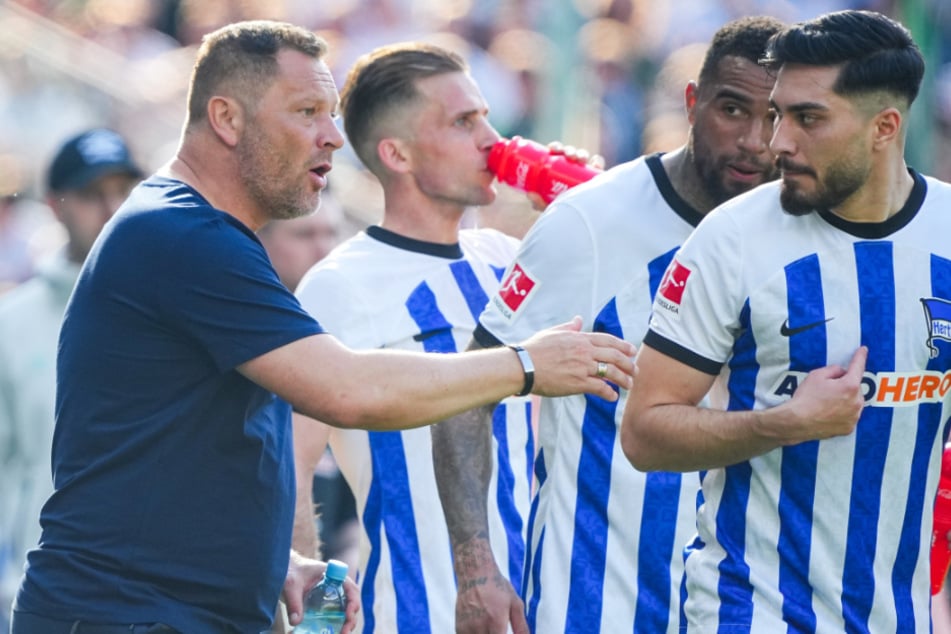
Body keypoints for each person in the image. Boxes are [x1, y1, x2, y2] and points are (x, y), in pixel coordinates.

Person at [9, 20, 635, 634]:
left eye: (332, 112)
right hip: (125, 613)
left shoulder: (203, 233)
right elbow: (344, 389)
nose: (334, 136)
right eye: (308, 111)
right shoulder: (181, 232)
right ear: (226, 119)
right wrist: (524, 366)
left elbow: (175, 446)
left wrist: (272, 560)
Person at [433, 15, 784, 634]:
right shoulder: (590, 222)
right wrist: (476, 568)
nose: (754, 141)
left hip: (755, 607)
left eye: (776, 118)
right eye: (733, 110)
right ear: (692, 103)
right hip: (598, 606)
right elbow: (464, 393)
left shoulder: (803, 232)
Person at [622, 10, 951, 632]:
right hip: (750, 612)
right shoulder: (732, 238)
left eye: (808, 119)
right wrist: (785, 423)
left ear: (885, 127)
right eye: (779, 114)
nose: (776, 143)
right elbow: (644, 432)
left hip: (900, 616)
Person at [291, 41, 541, 633]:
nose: (492, 139)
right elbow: (288, 471)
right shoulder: (340, 286)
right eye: (462, 122)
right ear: (396, 154)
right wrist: (317, 627)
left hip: (545, 610)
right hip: (415, 616)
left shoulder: (513, 261)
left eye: (484, 116)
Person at [0, 128, 143, 627]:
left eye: (124, 190)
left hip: (158, 597)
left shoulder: (175, 310)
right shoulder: (10, 324)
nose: (111, 207)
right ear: (55, 205)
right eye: (90, 194)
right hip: (45, 600)